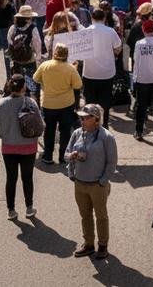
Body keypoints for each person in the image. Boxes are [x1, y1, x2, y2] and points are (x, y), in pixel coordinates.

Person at [65, 103, 118, 260]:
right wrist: (71, 158)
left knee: (101, 216)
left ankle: (103, 246)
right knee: (85, 215)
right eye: (81, 117)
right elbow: (66, 154)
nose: (82, 120)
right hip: (80, 183)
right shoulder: (77, 133)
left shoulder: (106, 137)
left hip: (97, 186)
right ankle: (88, 244)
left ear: (96, 119)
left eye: (86, 118)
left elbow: (112, 162)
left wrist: (103, 181)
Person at [0, 73, 41, 220]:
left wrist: (4, 134)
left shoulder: (1, 103)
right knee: (27, 178)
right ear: (24, 86)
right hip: (29, 147)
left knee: (11, 178)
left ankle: (11, 210)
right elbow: (40, 125)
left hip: (9, 147)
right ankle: (29, 207)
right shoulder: (31, 103)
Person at [34, 42, 82, 165]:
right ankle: (63, 156)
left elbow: (35, 78)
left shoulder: (45, 65)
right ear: (67, 55)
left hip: (48, 104)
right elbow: (78, 85)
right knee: (65, 131)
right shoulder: (70, 68)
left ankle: (48, 156)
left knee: (49, 130)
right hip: (66, 105)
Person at [82, 7, 122, 128]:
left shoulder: (85, 31)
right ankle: (104, 124)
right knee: (105, 101)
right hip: (107, 73)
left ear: (92, 18)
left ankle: (89, 124)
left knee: (89, 101)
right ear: (104, 18)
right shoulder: (110, 31)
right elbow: (118, 48)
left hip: (89, 72)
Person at [7, 5, 42, 83]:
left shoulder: (13, 28)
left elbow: (9, 41)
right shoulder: (33, 28)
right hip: (29, 59)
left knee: (17, 82)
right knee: (30, 83)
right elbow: (37, 44)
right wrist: (38, 57)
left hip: (16, 59)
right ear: (27, 19)